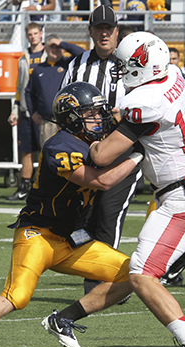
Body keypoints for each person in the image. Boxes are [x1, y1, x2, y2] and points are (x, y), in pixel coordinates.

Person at [0, 81, 144, 347]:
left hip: (70, 240)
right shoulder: (60, 146)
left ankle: (63, 319)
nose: (98, 118)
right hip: (38, 235)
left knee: (136, 275)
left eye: (98, 112)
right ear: (72, 116)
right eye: (91, 113)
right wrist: (139, 154)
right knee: (16, 296)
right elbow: (102, 181)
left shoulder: (88, 141)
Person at [87, 31, 185, 347]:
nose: (120, 70)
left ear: (143, 65)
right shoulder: (174, 75)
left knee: (142, 272)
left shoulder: (142, 104)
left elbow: (102, 156)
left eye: (125, 64)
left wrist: (92, 142)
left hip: (182, 196)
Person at [61, 5, 142, 295]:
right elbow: (63, 103)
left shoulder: (131, 62)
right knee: (83, 218)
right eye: (99, 28)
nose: (104, 33)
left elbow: (147, 101)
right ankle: (97, 276)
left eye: (109, 28)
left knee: (109, 214)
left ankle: (106, 284)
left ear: (117, 31)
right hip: (87, 148)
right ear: (91, 31)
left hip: (122, 147)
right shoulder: (77, 64)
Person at [7, 22, 47, 202]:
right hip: (26, 110)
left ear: (41, 34)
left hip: (44, 112)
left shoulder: (49, 56)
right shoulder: (24, 57)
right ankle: (24, 186)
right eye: (30, 34)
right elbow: (19, 86)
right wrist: (15, 110)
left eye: (35, 33)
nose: (33, 37)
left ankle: (44, 188)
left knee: (46, 151)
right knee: (26, 151)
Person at [25, 34, 85, 147]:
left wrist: (62, 43)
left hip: (69, 121)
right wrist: (32, 112)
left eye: (58, 47)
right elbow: (29, 92)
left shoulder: (69, 64)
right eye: (52, 46)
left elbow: (82, 53)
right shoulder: (38, 70)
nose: (55, 49)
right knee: (48, 154)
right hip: (48, 122)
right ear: (45, 48)